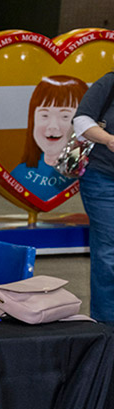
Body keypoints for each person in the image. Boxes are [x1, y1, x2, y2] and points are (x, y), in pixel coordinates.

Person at [74, 70, 114, 322]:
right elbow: (81, 121)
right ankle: (107, 328)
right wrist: (109, 140)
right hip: (104, 179)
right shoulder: (109, 82)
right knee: (109, 254)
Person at [10, 75, 89, 202]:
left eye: (65, 116)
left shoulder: (94, 172)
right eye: (44, 115)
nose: (53, 126)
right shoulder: (19, 174)